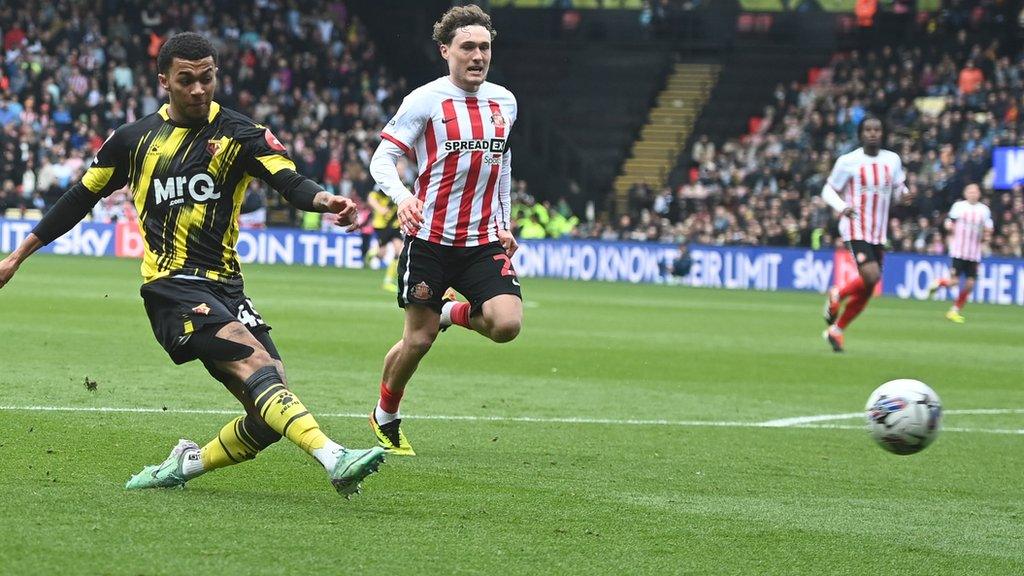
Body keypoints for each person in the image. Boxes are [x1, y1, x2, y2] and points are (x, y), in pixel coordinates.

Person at [0, 33, 385, 496]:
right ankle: (334, 456)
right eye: (187, 81)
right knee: (253, 358)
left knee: (270, 408)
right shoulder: (133, 141)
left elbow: (289, 180)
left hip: (228, 288)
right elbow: (79, 197)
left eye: (207, 79)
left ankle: (187, 464)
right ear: (164, 81)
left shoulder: (241, 134)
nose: (199, 90)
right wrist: (18, 256)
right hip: (172, 285)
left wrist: (326, 200)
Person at [367, 5, 522, 455]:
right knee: (418, 339)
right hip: (431, 239)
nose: (478, 56)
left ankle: (452, 311)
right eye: (468, 47)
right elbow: (382, 159)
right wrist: (403, 197)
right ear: (445, 51)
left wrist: (504, 222)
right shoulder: (425, 100)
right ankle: (386, 414)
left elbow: (503, 164)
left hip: (480, 240)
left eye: (485, 47)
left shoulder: (505, 101)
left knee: (506, 325)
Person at [820, 116, 908, 352]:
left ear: (882, 133)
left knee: (871, 286)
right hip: (855, 226)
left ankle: (836, 330)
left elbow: (899, 189)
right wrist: (842, 207)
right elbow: (828, 190)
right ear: (861, 134)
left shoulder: (893, 160)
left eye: (877, 129)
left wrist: (906, 195)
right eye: (868, 129)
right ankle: (838, 293)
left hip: (879, 231)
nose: (872, 133)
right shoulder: (848, 161)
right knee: (870, 275)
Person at [927, 183, 993, 323]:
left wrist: (987, 235)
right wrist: (949, 226)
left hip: (974, 253)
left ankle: (954, 311)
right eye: (970, 191)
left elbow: (989, 227)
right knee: (954, 282)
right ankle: (939, 282)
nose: (973, 194)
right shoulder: (959, 207)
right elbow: (949, 222)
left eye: (975, 191)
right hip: (959, 251)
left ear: (979, 194)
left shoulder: (984, 210)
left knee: (970, 284)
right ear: (965, 193)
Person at [367, 186, 402, 292]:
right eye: (401, 167)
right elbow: (370, 197)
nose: (403, 169)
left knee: (399, 251)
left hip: (395, 224)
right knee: (382, 254)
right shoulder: (384, 183)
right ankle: (373, 253)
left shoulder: (404, 184)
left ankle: (388, 281)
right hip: (382, 224)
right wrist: (380, 209)